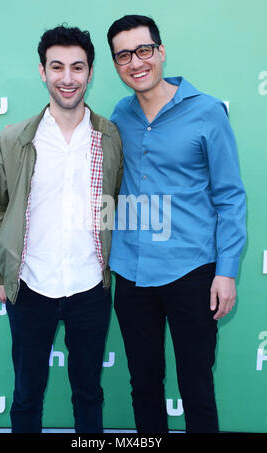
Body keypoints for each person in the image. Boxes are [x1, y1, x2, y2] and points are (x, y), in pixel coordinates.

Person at [0, 24, 123, 433]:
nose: (67, 77)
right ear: (42, 71)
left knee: (89, 394)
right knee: (27, 394)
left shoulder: (109, 137)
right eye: (56, 66)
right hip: (30, 286)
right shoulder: (14, 139)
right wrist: (0, 271)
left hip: (90, 287)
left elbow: (114, 200)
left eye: (77, 67)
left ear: (91, 72)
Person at [107, 14, 246, 433]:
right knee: (144, 385)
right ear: (116, 64)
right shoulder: (120, 115)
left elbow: (230, 197)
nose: (136, 62)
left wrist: (227, 272)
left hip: (192, 272)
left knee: (197, 386)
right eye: (124, 55)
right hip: (131, 273)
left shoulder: (207, 112)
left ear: (161, 52)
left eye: (144, 50)